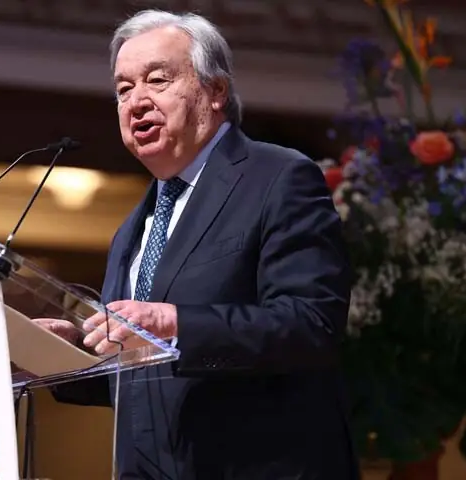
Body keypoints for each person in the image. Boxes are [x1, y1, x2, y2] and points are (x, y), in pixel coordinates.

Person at [35, 9, 358, 480]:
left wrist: (174, 322)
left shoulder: (279, 178)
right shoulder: (132, 229)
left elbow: (311, 325)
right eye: (123, 90)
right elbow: (139, 379)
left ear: (215, 91)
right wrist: (70, 355)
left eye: (157, 80)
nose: (136, 101)